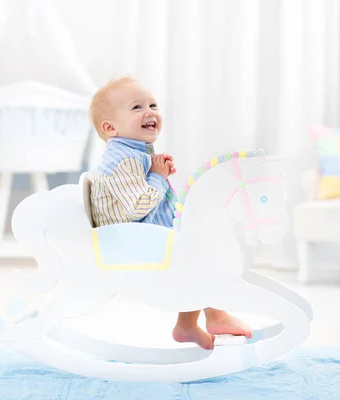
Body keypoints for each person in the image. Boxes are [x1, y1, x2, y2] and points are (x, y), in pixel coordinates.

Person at [89, 76, 252, 350]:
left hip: (142, 235)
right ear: (110, 127)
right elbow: (137, 206)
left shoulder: (135, 154)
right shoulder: (124, 160)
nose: (150, 111)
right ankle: (212, 315)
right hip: (131, 244)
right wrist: (156, 176)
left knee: (204, 239)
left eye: (152, 104)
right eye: (137, 107)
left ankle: (191, 324)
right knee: (200, 251)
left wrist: (158, 174)